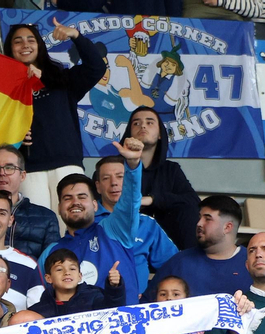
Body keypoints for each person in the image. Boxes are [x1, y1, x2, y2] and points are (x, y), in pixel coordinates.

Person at [5, 20, 108, 212]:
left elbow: (97, 68)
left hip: (66, 164)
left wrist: (75, 35)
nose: (25, 45)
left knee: (72, 223)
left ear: (39, 46)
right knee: (37, 227)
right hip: (29, 169)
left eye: (31, 40)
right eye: (18, 41)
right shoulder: (3, 88)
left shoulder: (63, 80)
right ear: (10, 49)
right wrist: (13, 137)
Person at [41, 138, 146, 303]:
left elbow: (129, 202)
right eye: (68, 198)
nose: (75, 202)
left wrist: (132, 165)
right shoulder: (51, 252)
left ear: (95, 205)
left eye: (82, 197)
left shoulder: (114, 230)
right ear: (60, 208)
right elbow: (42, 298)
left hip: (123, 318)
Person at [91, 154, 177, 294]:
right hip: (96, 302)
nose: (114, 183)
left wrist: (151, 293)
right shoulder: (87, 222)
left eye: (120, 176)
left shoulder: (147, 224)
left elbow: (173, 266)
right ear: (98, 186)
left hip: (138, 302)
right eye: (106, 178)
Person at [147, 196, 252, 301]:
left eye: (207, 219)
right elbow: (147, 303)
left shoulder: (253, 264)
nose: (199, 223)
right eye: (200, 218)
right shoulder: (179, 262)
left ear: (227, 227)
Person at [126, 106, 199, 250]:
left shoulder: (171, 169)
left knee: (188, 210)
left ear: (160, 134)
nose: (143, 126)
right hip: (124, 230)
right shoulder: (113, 166)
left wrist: (152, 199)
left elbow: (192, 200)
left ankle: (187, 261)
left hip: (165, 236)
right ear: (129, 133)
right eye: (136, 123)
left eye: (149, 122)